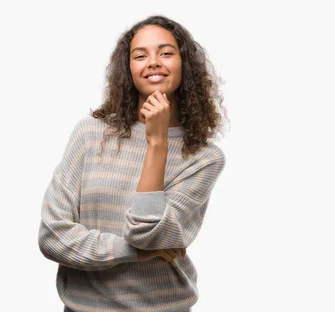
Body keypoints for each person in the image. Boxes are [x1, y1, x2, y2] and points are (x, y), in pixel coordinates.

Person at [38, 15, 226, 312]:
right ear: (129, 69)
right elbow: (53, 237)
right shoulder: (91, 133)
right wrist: (137, 253)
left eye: (166, 53)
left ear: (184, 64)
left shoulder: (204, 158)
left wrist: (157, 142)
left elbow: (148, 233)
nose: (153, 62)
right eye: (141, 55)